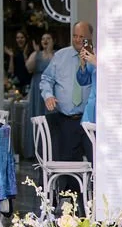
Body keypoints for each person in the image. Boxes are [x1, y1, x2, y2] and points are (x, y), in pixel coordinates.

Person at [39, 21, 94, 188]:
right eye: (74, 36)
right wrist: (48, 95)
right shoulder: (61, 56)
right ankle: (71, 205)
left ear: (90, 38)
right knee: (69, 168)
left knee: (96, 164)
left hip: (91, 121)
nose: (77, 40)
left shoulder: (97, 58)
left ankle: (95, 204)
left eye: (81, 37)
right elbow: (46, 79)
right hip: (68, 120)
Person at [24, 32, 54, 157]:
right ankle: (35, 150)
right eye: (43, 39)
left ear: (53, 40)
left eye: (48, 38)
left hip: (51, 88)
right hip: (37, 87)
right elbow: (29, 68)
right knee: (36, 114)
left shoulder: (56, 55)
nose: (45, 41)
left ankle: (49, 149)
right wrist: (35, 54)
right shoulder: (36, 54)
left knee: (49, 117)